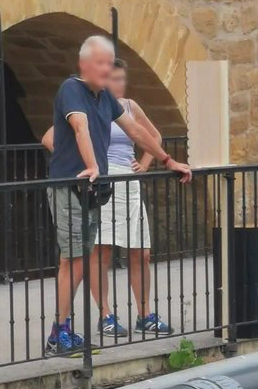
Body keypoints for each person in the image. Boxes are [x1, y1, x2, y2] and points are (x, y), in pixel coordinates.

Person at [43, 36, 192, 355]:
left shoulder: (106, 98)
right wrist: (93, 164)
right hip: (71, 184)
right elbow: (80, 127)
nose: (105, 68)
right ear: (83, 65)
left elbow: (137, 131)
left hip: (91, 187)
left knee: (80, 258)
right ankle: (60, 332)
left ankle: (64, 328)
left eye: (109, 63)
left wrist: (167, 160)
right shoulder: (72, 89)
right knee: (73, 259)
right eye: (99, 62)